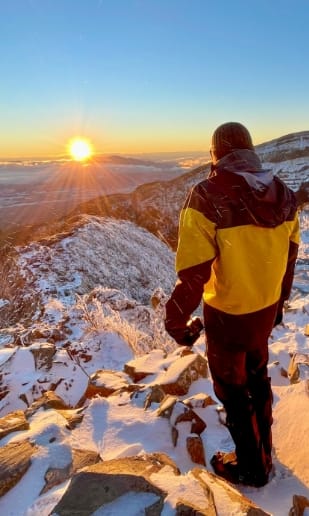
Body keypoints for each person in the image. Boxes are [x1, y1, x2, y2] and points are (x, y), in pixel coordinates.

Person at [164, 122, 300, 487]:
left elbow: (194, 272)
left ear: (215, 154)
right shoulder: (284, 195)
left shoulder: (207, 196)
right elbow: (289, 258)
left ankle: (252, 468)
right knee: (257, 380)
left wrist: (176, 321)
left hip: (226, 315)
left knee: (233, 391)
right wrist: (279, 305)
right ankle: (265, 449)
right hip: (263, 310)